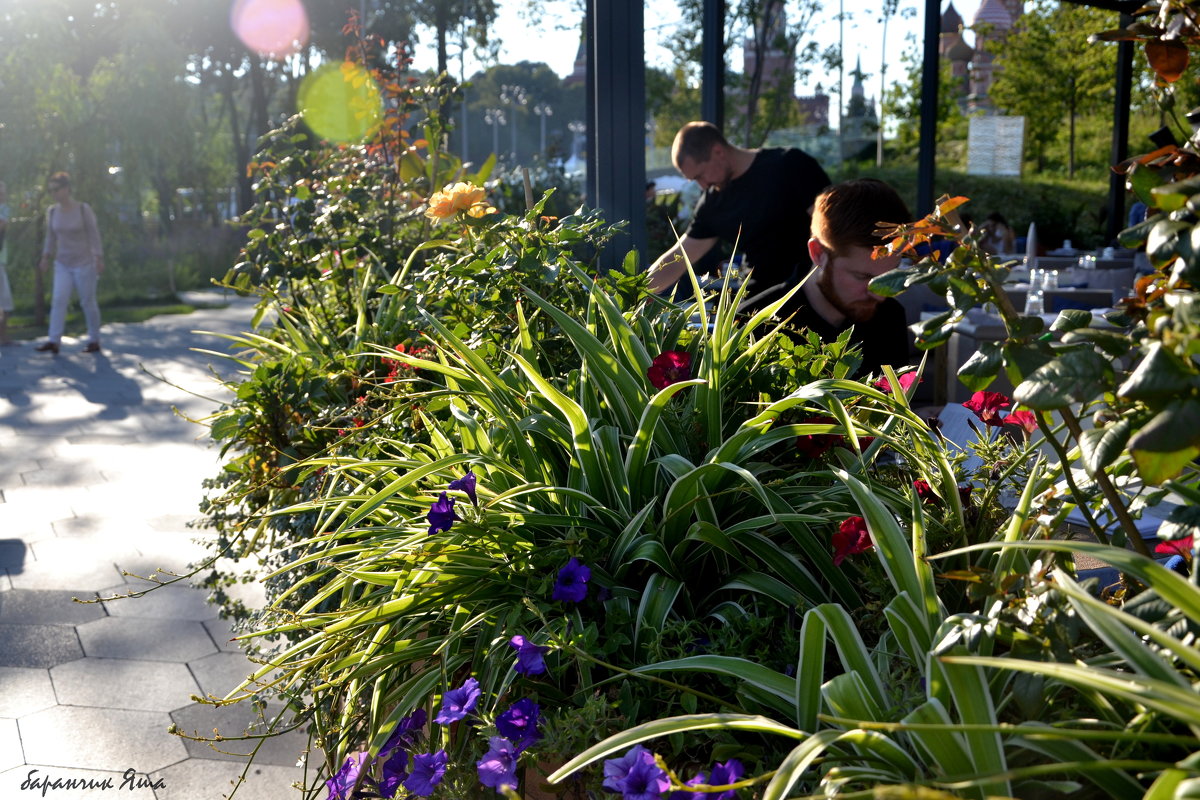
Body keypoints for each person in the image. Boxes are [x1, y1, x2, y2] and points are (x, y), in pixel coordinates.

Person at [646, 121, 831, 307]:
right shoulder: (712, 203)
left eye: (700, 175)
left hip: (811, 294)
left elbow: (833, 228)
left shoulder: (790, 165)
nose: (702, 185)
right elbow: (679, 257)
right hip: (757, 302)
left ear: (718, 151)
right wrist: (637, 292)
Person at [770, 178, 912, 378]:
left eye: (889, 276)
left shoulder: (890, 316)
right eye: (863, 276)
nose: (880, 296)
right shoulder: (759, 323)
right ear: (818, 252)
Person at [36, 172, 104, 354]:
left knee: (87, 302)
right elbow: (50, 237)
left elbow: (93, 234)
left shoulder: (83, 209)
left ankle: (94, 339)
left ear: (66, 189)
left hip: (84, 262)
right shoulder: (52, 211)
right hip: (63, 263)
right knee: (59, 300)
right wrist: (45, 257)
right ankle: (54, 340)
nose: (53, 193)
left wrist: (98, 257)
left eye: (56, 189)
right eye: (51, 190)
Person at [0, 181, 13, 345]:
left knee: (4, 300)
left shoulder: (4, 209)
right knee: (4, 299)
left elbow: (2, 225)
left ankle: (3, 337)